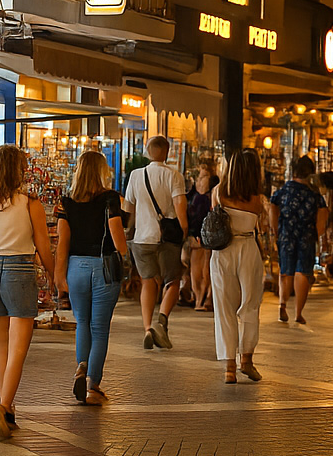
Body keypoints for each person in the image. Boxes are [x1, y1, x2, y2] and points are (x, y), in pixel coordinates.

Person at [0, 145, 55, 439]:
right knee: (18, 349)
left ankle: (8, 409)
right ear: (18, 170)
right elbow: (43, 246)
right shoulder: (31, 204)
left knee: (3, 347)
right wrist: (55, 275)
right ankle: (2, 405)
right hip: (19, 272)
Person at [55, 151, 128, 405]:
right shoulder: (109, 198)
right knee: (100, 329)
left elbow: (63, 241)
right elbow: (116, 232)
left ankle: (81, 366)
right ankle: (93, 385)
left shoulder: (67, 202)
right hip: (104, 268)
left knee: (82, 323)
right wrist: (125, 254)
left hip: (75, 268)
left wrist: (59, 275)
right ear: (101, 171)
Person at [210, 148, 270, 383]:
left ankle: (229, 368)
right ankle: (247, 359)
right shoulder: (257, 199)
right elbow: (262, 227)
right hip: (248, 249)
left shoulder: (218, 193)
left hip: (223, 250)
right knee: (250, 306)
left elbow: (214, 220)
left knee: (224, 308)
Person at [123, 136, 188, 350]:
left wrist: (128, 234)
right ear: (167, 152)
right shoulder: (174, 176)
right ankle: (162, 320)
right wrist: (185, 232)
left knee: (147, 282)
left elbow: (128, 209)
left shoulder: (135, 175)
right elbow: (180, 209)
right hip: (166, 238)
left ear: (147, 151)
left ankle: (147, 328)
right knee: (172, 282)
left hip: (142, 238)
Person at [268, 156, 328, 325]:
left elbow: (273, 205)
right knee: (302, 271)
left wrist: (275, 229)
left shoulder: (284, 190)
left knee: (286, 271)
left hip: (286, 233)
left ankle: (282, 304)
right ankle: (298, 313)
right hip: (306, 236)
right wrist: (319, 234)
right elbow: (322, 219)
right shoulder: (314, 195)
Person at [187, 159, 218, 312]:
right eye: (198, 177)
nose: (199, 180)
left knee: (205, 269)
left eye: (203, 176)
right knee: (195, 270)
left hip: (207, 237)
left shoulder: (212, 195)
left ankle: (205, 298)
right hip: (195, 236)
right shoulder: (193, 195)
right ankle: (199, 297)